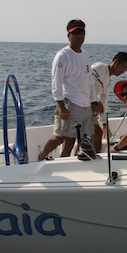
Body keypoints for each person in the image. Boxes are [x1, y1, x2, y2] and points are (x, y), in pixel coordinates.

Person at [39, 20, 102, 161]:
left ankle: (76, 165)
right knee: (65, 141)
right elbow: (56, 82)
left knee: (84, 141)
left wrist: (94, 102)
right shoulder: (63, 55)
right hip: (70, 103)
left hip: (86, 105)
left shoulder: (85, 55)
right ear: (68, 35)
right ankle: (43, 156)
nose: (79, 36)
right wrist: (62, 107)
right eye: (75, 33)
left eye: (82, 32)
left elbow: (90, 82)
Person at [91, 52, 127, 152]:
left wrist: (105, 124)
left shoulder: (108, 83)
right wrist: (95, 102)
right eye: (123, 67)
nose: (123, 71)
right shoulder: (99, 67)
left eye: (126, 70)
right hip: (79, 103)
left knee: (97, 133)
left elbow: (104, 101)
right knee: (87, 136)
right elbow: (86, 82)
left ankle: (97, 156)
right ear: (115, 62)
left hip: (90, 107)